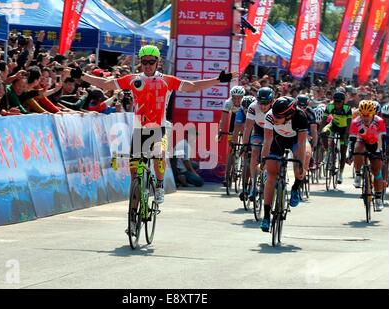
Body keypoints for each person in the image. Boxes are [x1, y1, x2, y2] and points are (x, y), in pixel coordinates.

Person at [75, 45, 237, 232]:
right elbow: (108, 84)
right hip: (139, 131)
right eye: (144, 62)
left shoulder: (166, 80)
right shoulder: (133, 80)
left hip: (159, 129)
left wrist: (218, 80)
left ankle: (159, 186)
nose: (147, 66)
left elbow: (192, 87)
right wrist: (83, 76)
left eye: (151, 62)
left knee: (158, 153)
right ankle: (134, 221)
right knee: (135, 176)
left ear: (158, 62)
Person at [259, 96, 308, 232]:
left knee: (304, 160)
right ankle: (267, 215)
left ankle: (295, 188)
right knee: (271, 176)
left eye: (278, 117)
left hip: (294, 141)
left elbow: (302, 144)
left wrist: (300, 165)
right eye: (273, 114)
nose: (274, 118)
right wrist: (263, 160)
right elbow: (267, 140)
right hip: (277, 141)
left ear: (289, 115)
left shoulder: (300, 117)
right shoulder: (270, 116)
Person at [347, 100, 387, 211]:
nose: (365, 118)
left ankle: (378, 198)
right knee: (358, 147)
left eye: (368, 115)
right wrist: (350, 154)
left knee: (377, 171)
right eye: (363, 115)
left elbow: (382, 139)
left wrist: (381, 153)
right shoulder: (356, 121)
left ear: (373, 114)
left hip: (375, 143)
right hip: (362, 141)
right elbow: (352, 140)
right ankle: (358, 174)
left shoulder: (379, 121)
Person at [240, 87, 274, 201]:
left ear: (272, 102)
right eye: (261, 103)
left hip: (274, 132)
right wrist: (244, 145)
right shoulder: (253, 107)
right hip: (259, 130)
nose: (263, 106)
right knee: (254, 150)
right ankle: (253, 185)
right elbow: (248, 127)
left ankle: (267, 175)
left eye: (266, 103)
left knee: (269, 153)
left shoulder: (276, 108)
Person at [320, 91, 352, 184]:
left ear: (343, 102)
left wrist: (346, 135)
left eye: (339, 102)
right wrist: (320, 131)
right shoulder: (330, 107)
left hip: (344, 129)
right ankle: (327, 151)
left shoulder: (347, 109)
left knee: (343, 152)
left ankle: (340, 174)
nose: (337, 104)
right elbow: (323, 121)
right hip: (333, 126)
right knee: (324, 132)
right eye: (335, 101)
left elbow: (349, 124)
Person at [219, 85, 246, 187]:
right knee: (231, 148)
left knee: (245, 142)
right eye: (234, 97)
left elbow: (248, 122)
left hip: (244, 119)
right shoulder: (228, 103)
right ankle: (228, 173)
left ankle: (244, 156)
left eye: (239, 98)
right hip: (234, 119)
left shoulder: (246, 103)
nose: (236, 100)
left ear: (242, 97)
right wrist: (221, 131)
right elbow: (224, 119)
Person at [296, 94, 318, 171]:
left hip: (306, 129)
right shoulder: (293, 111)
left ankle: (311, 157)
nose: (302, 109)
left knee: (310, 137)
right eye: (299, 107)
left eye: (304, 107)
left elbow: (314, 130)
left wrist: (314, 145)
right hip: (295, 129)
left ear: (307, 105)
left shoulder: (310, 112)